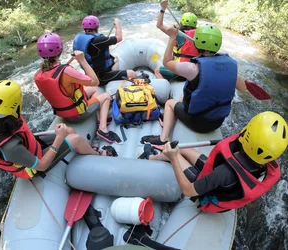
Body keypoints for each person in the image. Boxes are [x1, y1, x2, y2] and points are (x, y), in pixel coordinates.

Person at [0, 80, 118, 179]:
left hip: (30, 148)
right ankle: (97, 155)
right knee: (75, 138)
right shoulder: (10, 146)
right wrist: (59, 138)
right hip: (34, 168)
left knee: (69, 131)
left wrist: (60, 135)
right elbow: (41, 166)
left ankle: (85, 149)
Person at [156, 111, 287, 213]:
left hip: (210, 191)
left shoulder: (223, 172)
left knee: (176, 154)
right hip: (225, 180)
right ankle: (163, 155)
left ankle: (151, 157)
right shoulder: (264, 160)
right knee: (186, 150)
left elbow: (187, 190)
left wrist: (173, 158)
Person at [141, 24, 247, 145]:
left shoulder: (192, 68)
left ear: (196, 44)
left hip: (198, 123)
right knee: (190, 88)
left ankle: (163, 138)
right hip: (217, 122)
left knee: (170, 103)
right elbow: (243, 88)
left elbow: (167, 62)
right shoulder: (231, 67)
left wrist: (172, 37)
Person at [34, 32, 120, 143]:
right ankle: (103, 128)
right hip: (77, 114)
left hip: (62, 112)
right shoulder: (66, 71)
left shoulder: (38, 74)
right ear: (60, 50)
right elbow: (95, 81)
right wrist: (82, 60)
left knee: (93, 91)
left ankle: (99, 118)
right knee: (106, 96)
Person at [73, 15, 137, 86]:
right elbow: (119, 38)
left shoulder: (80, 38)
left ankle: (113, 74)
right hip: (100, 77)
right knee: (132, 73)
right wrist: (117, 24)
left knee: (115, 59)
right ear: (97, 26)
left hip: (92, 72)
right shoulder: (98, 40)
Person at [154, 0, 200, 80]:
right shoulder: (200, 35)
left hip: (179, 72)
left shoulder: (176, 33)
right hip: (194, 71)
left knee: (157, 70)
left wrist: (163, 9)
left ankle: (164, 87)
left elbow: (159, 25)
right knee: (173, 56)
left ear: (181, 22)